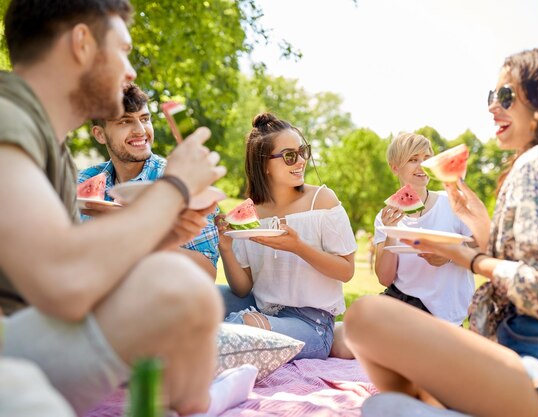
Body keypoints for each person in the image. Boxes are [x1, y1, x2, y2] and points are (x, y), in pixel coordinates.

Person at [0, 1, 257, 416]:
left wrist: (162, 233)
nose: (131, 70)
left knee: (181, 288)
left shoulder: (49, 143)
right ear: (82, 43)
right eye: (122, 50)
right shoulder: (6, 117)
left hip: (23, 333)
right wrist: (173, 187)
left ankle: (191, 404)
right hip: (12, 342)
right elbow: (63, 281)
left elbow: (61, 265)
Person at [344, 46, 538, 417]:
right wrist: (479, 223)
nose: (493, 107)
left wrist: (472, 259)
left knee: (366, 317)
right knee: (385, 406)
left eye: (506, 96)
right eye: (491, 96)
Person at [216, 112, 357, 360]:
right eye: (290, 156)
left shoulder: (322, 200)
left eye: (303, 151)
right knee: (199, 296)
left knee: (240, 325)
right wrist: (226, 248)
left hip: (312, 326)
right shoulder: (253, 213)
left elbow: (346, 271)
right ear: (264, 165)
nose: (301, 160)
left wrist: (297, 247)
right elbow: (243, 289)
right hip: (263, 308)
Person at [79, 83, 219, 277]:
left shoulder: (182, 181)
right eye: (125, 121)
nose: (140, 130)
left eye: (144, 119)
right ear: (100, 134)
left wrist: (135, 229)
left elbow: (207, 272)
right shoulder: (83, 181)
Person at [374, 133, 474, 324]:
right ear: (395, 167)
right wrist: (390, 231)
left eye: (427, 159)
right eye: (413, 159)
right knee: (357, 324)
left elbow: (484, 251)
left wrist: (450, 255)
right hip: (401, 304)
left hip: (445, 317)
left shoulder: (454, 201)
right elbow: (385, 278)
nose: (422, 165)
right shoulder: (385, 217)